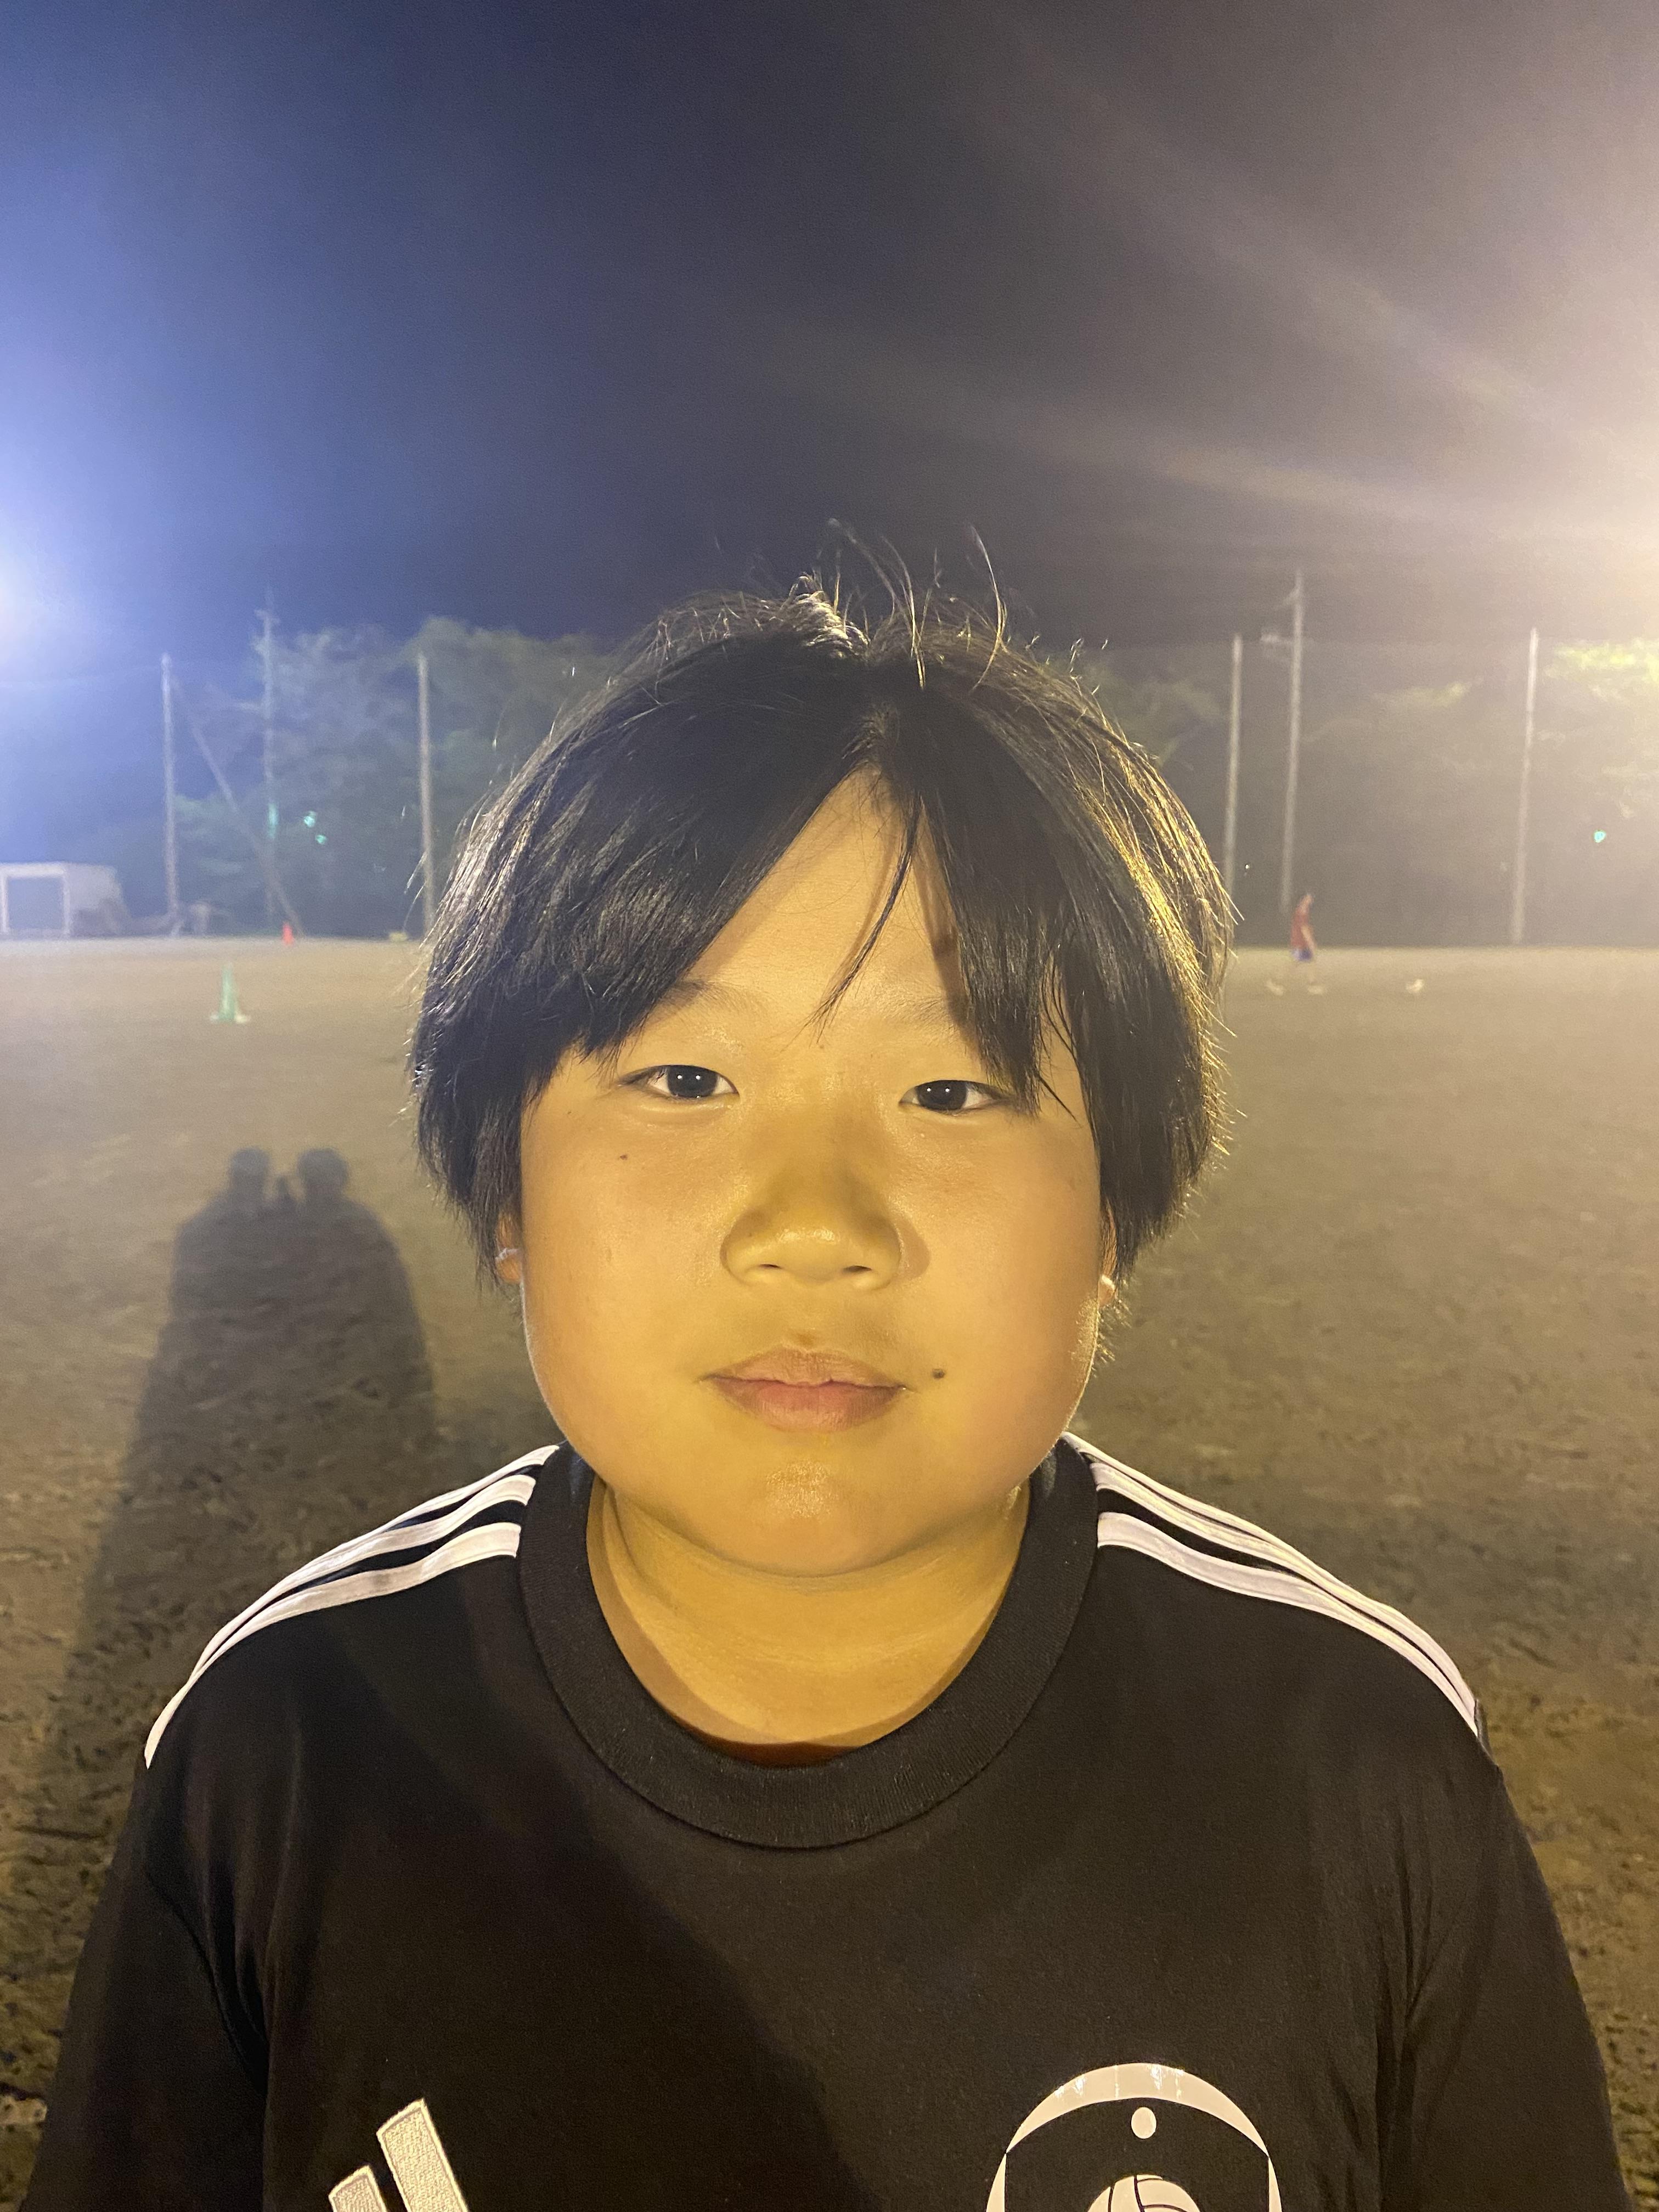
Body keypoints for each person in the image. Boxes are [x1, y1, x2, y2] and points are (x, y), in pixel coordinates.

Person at [26, 585, 1628, 2211]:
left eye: (952, 1088)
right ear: (509, 1186)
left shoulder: (1349, 1765)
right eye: (685, 1078)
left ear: (1113, 1208)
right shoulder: (289, 1746)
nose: (812, 1223)